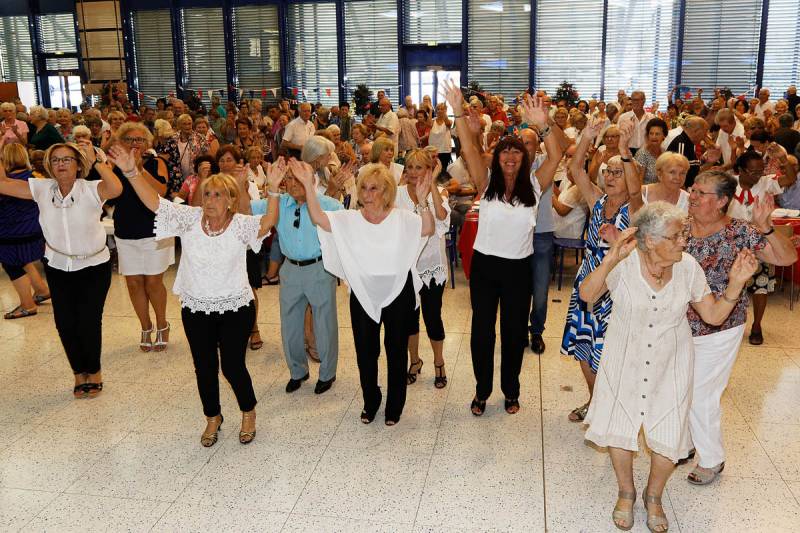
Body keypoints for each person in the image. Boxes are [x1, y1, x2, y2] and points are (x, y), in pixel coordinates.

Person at [579, 202, 758, 532]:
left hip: (672, 361)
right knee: (621, 425)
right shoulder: (624, 261)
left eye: (683, 235)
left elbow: (714, 316)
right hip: (624, 357)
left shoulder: (688, 267)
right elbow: (587, 294)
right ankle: (626, 491)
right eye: (677, 236)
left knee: (668, 431)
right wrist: (609, 260)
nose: (684, 242)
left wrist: (735, 284)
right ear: (650, 240)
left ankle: (654, 496)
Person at [122, 147, 282, 447]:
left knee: (232, 366)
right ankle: (213, 416)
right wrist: (132, 172)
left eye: (218, 195)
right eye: (207, 194)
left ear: (231, 200)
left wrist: (273, 190)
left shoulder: (240, 224)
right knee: (204, 366)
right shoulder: (189, 219)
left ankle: (248, 411)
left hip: (236, 305)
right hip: (196, 306)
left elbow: (268, 222)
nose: (210, 201)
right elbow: (154, 203)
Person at [443, 82, 561, 416]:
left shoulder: (536, 185)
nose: (510, 155)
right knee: (482, 332)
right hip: (485, 267)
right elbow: (467, 145)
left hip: (518, 269)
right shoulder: (486, 181)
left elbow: (557, 154)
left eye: (517, 151)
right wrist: (458, 111)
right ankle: (482, 390)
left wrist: (543, 123)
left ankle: (511, 390)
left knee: (512, 334)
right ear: (498, 157)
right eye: (505, 150)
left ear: (525, 159)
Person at [295, 160, 434, 426]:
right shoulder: (350, 220)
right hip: (362, 292)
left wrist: (424, 199)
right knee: (365, 352)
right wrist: (309, 189)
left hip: (398, 292)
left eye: (374, 188)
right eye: (364, 188)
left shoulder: (402, 218)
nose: (367, 194)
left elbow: (427, 228)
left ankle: (395, 405)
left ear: (387, 192)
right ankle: (371, 401)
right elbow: (319, 219)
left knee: (396, 351)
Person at [685, 170, 796, 485]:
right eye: (692, 190)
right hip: (677, 323)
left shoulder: (740, 232)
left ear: (721, 201)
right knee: (680, 386)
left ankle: (711, 459)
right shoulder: (679, 228)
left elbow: (787, 258)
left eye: (701, 193)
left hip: (721, 325)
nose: (692, 196)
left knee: (702, 394)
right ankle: (685, 443)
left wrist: (767, 227)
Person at [0, 142, 123, 397]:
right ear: (49, 166)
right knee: (65, 322)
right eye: (55, 160)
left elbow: (116, 188)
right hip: (57, 264)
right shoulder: (42, 188)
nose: (61, 164)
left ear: (78, 165)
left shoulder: (91, 188)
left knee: (88, 321)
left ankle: (95, 372)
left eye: (67, 159)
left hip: (93, 265)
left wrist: (97, 161)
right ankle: (79, 373)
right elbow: (3, 184)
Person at [561, 117, 638, 423]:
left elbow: (635, 192)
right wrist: (586, 137)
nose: (610, 176)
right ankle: (595, 401)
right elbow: (576, 170)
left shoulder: (633, 207)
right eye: (608, 171)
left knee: (611, 349)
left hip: (618, 284)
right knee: (583, 344)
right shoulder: (596, 200)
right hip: (589, 277)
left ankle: (614, 405)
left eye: (618, 173)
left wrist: (624, 150)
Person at [252, 158, 343, 394]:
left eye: (299, 176)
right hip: (290, 268)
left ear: (312, 180)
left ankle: (327, 373)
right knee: (290, 325)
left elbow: (346, 235)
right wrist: (242, 183)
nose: (293, 182)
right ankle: (297, 371)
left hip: (320, 268)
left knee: (325, 324)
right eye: (289, 177)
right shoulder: (278, 203)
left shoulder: (330, 205)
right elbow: (245, 210)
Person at [110, 122, 174, 352]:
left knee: (153, 282)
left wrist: (138, 169)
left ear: (147, 143)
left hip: (154, 230)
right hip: (126, 230)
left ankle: (162, 323)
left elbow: (161, 191)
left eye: (139, 140)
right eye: (129, 140)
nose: (135, 144)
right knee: (134, 283)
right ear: (121, 143)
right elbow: (109, 194)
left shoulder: (156, 163)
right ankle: (145, 326)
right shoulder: (114, 166)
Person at [728, 150, 796, 345]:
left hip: (760, 241)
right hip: (733, 241)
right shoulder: (728, 184)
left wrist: (783, 158)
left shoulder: (766, 183)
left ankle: (757, 326)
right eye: (753, 172)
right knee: (731, 285)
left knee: (761, 285)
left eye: (761, 171)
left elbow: (790, 178)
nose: (759, 175)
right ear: (740, 170)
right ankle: (730, 324)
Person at [397, 149, 451, 388]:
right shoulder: (397, 194)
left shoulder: (439, 192)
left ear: (429, 170)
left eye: (419, 167)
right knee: (409, 317)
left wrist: (433, 187)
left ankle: (439, 361)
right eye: (409, 167)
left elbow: (441, 217)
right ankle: (415, 360)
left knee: (432, 316)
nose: (413, 172)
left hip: (431, 264)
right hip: (406, 265)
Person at [215, 145, 265, 350]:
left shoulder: (249, 184)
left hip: (243, 245)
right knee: (222, 287)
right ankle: (225, 330)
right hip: (219, 244)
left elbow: (250, 213)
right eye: (222, 160)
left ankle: (254, 329)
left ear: (238, 163)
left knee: (248, 288)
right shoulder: (213, 184)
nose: (225, 164)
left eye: (229, 160)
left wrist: (241, 186)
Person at [0, 144, 49, 319]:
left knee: (11, 265)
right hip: (34, 229)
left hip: (11, 233)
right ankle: (42, 289)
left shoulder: (7, 182)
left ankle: (27, 305)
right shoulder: (36, 176)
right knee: (24, 260)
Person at [633, 118, 668, 185]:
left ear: (664, 136)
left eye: (657, 134)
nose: (653, 137)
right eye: (651, 133)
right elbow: (638, 182)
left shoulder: (664, 153)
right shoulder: (642, 154)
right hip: (646, 192)